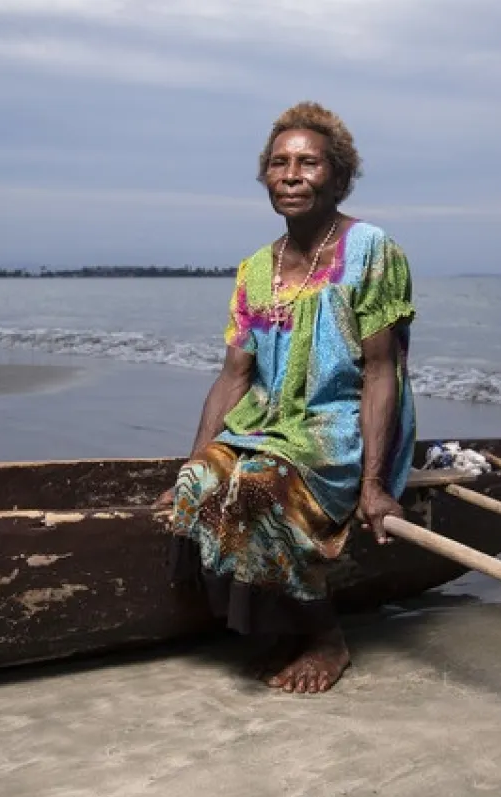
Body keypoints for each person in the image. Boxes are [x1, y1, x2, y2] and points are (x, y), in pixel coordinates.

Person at [155, 101, 417, 695]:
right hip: (267, 422)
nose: (291, 174)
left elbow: (383, 372)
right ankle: (273, 626)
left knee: (259, 489)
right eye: (279, 163)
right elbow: (232, 378)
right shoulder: (254, 270)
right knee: (201, 490)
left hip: (342, 422)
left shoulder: (372, 251)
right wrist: (194, 462)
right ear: (265, 177)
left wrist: (375, 486)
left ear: (339, 177)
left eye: (308, 162)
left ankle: (326, 636)